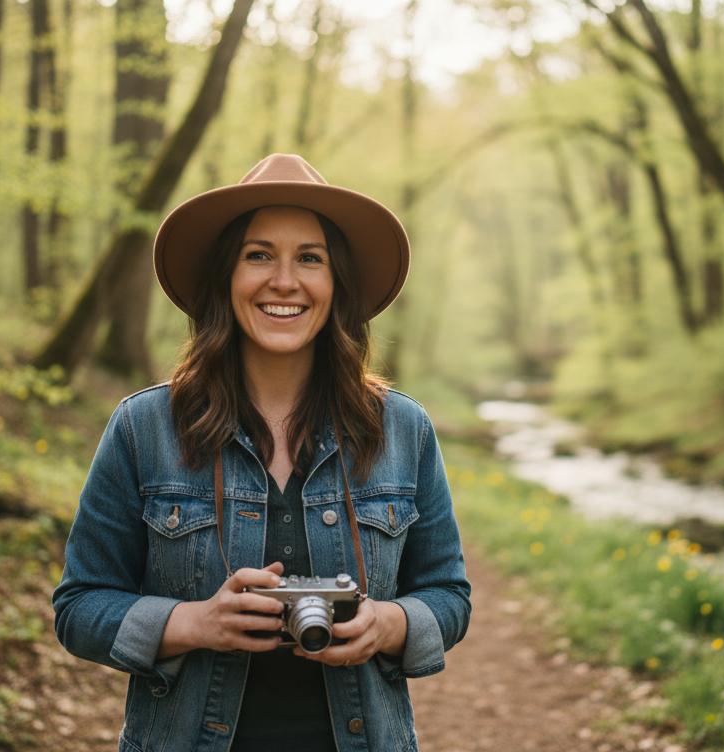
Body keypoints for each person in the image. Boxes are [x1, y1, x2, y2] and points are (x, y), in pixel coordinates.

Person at [53, 153, 471, 752]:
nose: (284, 280)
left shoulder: (403, 429)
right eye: (258, 255)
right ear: (227, 276)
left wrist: (390, 624)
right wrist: (194, 623)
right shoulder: (143, 428)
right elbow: (79, 606)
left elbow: (448, 595)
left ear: (336, 283)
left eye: (310, 257)